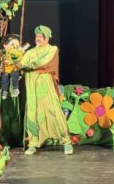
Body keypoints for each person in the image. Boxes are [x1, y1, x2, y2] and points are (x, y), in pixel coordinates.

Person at [19, 25, 73, 155]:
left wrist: (26, 65)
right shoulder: (30, 52)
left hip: (45, 84)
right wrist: (16, 60)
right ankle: (33, 143)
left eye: (41, 36)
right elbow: (21, 64)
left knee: (53, 111)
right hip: (32, 86)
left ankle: (66, 142)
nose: (38, 38)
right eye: (37, 36)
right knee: (33, 113)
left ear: (47, 37)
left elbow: (42, 62)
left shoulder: (52, 49)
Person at [0, 34, 29, 100]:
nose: (14, 47)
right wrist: (0, 71)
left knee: (14, 74)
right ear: (5, 45)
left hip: (15, 70)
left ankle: (15, 89)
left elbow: (21, 61)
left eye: (16, 45)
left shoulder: (17, 53)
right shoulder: (4, 54)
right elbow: (2, 64)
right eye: (12, 45)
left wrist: (13, 62)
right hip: (6, 70)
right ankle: (5, 91)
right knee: (4, 77)